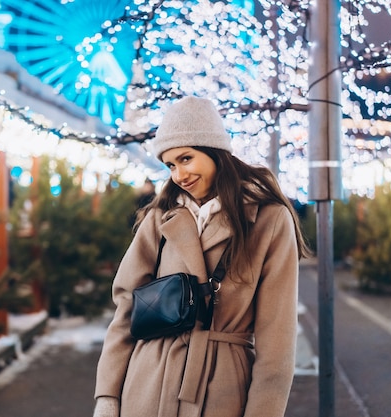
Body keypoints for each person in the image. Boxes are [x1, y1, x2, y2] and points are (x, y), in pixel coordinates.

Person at [93, 96, 311, 417]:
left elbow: (276, 343)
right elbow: (126, 307)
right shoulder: (161, 217)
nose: (179, 174)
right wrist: (108, 396)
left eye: (186, 158)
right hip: (147, 383)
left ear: (213, 151)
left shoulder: (267, 219)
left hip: (222, 389)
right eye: (170, 165)